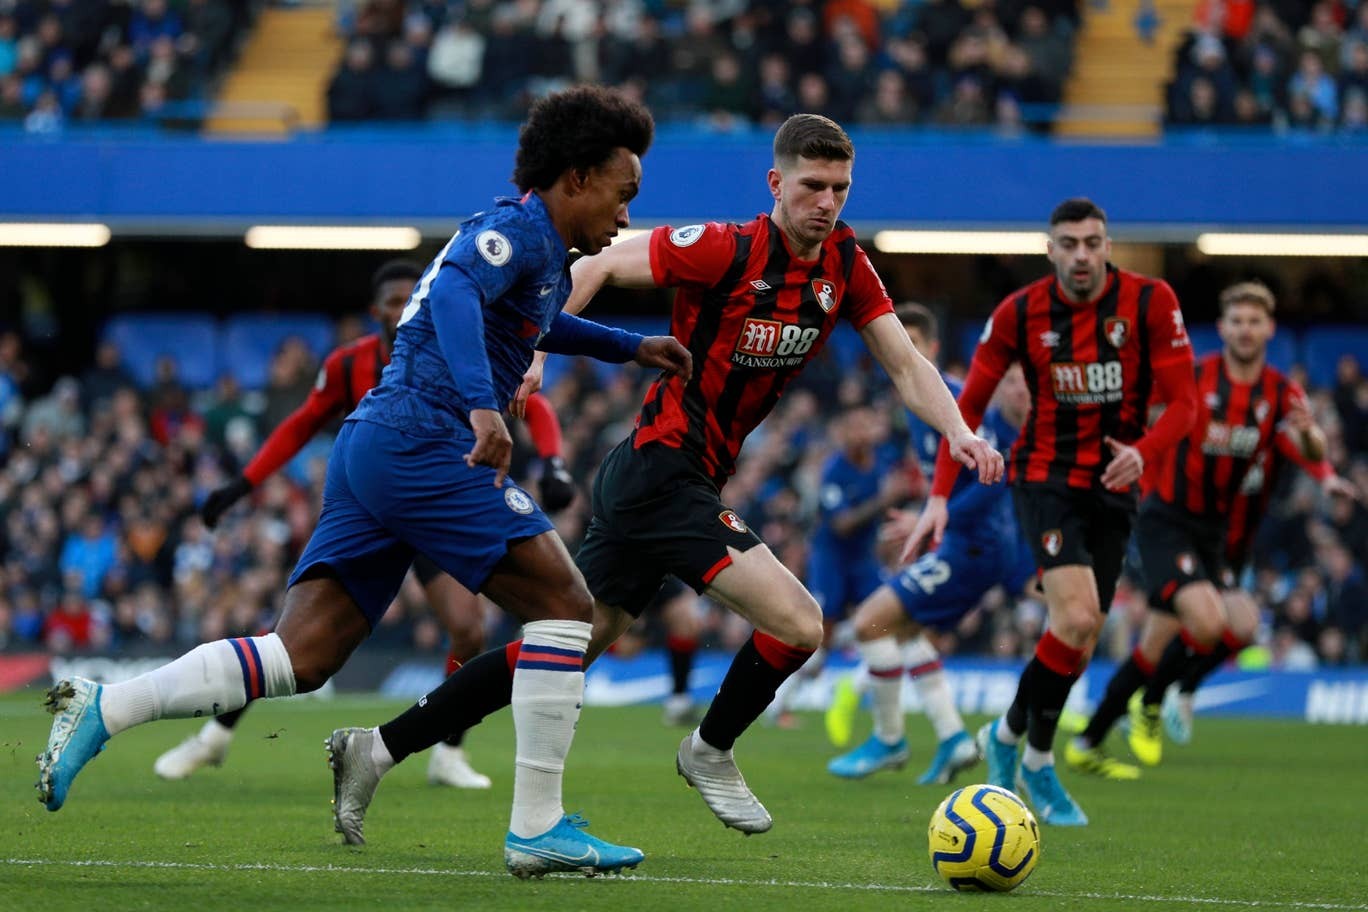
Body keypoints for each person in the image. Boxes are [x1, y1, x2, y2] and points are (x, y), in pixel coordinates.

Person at [37, 85, 693, 880]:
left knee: (302, 655)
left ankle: (107, 707)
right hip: (426, 443)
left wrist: (630, 348)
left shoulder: (540, 250)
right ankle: (537, 826)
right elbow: (452, 293)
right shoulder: (512, 230)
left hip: (377, 445)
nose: (627, 217)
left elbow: (535, 321)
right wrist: (486, 410)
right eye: (624, 194)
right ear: (578, 177)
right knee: (567, 606)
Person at [324, 113, 1004, 844]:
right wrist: (537, 349)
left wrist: (959, 431)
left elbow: (905, 363)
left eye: (839, 187)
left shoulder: (845, 264)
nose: (827, 202)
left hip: (677, 478)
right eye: (812, 186)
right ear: (777, 183)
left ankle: (380, 747)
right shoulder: (725, 248)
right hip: (662, 471)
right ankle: (708, 749)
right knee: (801, 624)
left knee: (562, 646)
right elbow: (601, 265)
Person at [152, 260, 574, 789]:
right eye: (392, 302)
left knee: (467, 628)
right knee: (299, 641)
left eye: (409, 298)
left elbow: (531, 402)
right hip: (370, 508)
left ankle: (448, 751)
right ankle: (213, 736)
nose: (402, 310)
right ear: (376, 311)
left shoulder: (459, 344)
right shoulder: (350, 363)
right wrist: (244, 484)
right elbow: (302, 422)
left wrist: (553, 460)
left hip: (436, 504)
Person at [907, 198, 1198, 826]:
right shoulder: (1019, 313)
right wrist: (936, 497)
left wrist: (1145, 453)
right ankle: (1030, 755)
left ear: (1108, 246)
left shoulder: (1151, 303)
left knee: (1081, 634)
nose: (1082, 255)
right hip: (1043, 477)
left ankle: (1017, 741)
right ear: (1051, 250)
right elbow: (968, 411)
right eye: (1069, 243)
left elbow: (1185, 406)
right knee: (1078, 615)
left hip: (1116, 482)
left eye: (1093, 242)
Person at [1065, 280, 1343, 774]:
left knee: (1234, 628)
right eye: (1237, 320)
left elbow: (1311, 448)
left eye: (1255, 321)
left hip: (1216, 537)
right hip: (1167, 521)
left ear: (1269, 328)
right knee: (1209, 623)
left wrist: (1315, 448)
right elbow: (1135, 402)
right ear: (1223, 327)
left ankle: (1089, 741)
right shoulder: (1195, 377)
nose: (1245, 329)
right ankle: (1153, 702)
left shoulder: (1280, 392)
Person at [826, 303, 1036, 786]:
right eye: (898, 344)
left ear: (934, 349)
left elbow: (992, 480)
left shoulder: (957, 401)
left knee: (870, 622)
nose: (905, 353)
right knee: (904, 633)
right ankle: (952, 739)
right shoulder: (913, 407)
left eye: (915, 345)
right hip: (966, 541)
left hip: (976, 544)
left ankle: (890, 738)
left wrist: (932, 517)